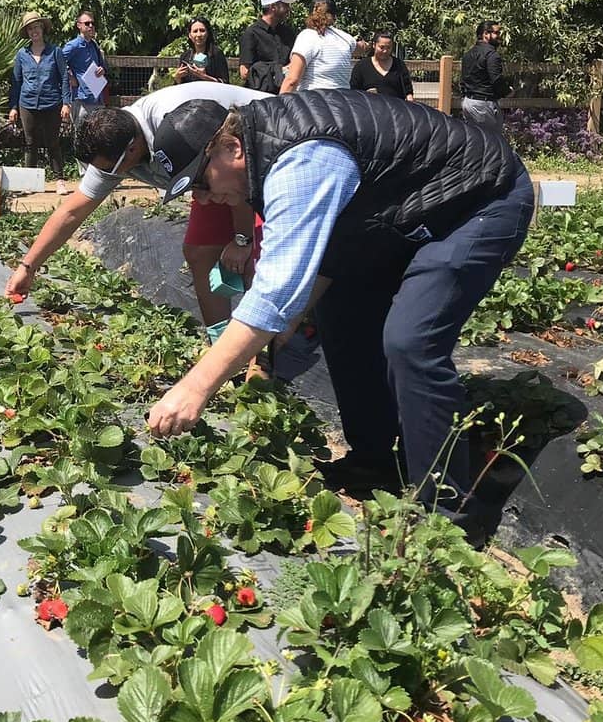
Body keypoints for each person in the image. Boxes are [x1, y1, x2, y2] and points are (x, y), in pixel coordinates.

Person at [145, 92, 534, 542]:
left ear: (230, 148)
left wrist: (195, 388)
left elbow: (274, 291)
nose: (204, 198)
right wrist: (277, 335)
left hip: (478, 199)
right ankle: (376, 460)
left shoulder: (301, 161)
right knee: (341, 316)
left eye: (200, 181)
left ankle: (447, 515)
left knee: (411, 340)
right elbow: (309, 270)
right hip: (394, 211)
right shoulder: (261, 154)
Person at [2, 82, 270, 328]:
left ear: (131, 149)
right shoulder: (113, 143)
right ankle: (221, 340)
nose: (108, 175)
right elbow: (72, 211)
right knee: (199, 252)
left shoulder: (177, 126)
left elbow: (237, 175)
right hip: (212, 179)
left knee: (255, 260)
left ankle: (263, 352)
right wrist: (28, 268)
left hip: (257, 159)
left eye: (111, 168)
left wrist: (243, 240)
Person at [9, 11, 72, 194]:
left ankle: (59, 180)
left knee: (53, 142)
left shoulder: (55, 52)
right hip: (27, 104)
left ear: (43, 28)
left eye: (36, 27)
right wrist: (13, 107)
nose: (34, 31)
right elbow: (16, 81)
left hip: (52, 102)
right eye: (30, 29)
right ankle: (29, 182)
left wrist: (66, 103)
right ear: (27, 32)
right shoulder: (22, 54)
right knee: (30, 143)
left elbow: (64, 78)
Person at [281, 0, 361, 93]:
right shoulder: (345, 38)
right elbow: (360, 49)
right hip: (342, 98)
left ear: (309, 15)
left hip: (315, 99)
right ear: (334, 17)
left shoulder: (307, 36)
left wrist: (280, 102)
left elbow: (292, 81)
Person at [238, 0, 298, 93]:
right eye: (285, 5)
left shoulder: (288, 33)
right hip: (260, 94)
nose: (288, 8)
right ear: (273, 7)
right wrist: (278, 71)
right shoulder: (251, 33)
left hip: (286, 93)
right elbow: (244, 72)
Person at [63, 11, 107, 130]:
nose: (91, 26)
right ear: (79, 25)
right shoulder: (73, 45)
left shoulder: (94, 45)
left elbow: (102, 66)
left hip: (98, 98)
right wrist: (70, 76)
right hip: (81, 99)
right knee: (81, 135)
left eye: (93, 23)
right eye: (87, 23)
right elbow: (58, 62)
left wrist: (102, 69)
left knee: (99, 134)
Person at [461, 21, 509, 130]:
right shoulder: (492, 55)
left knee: (474, 137)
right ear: (486, 34)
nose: (499, 36)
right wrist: (507, 91)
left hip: (468, 102)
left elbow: (463, 80)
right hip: (483, 105)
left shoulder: (468, 54)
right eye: (496, 33)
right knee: (491, 138)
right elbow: (496, 80)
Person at [350, 31, 415, 101]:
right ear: (374, 45)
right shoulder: (361, 66)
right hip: (370, 107)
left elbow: (408, 91)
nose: (385, 51)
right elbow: (354, 93)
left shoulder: (399, 65)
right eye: (382, 47)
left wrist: (410, 102)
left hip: (395, 106)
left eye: (388, 48)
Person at [173, 17, 229, 85]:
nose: (199, 34)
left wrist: (204, 77)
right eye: (195, 31)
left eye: (202, 30)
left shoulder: (216, 54)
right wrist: (177, 78)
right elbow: (179, 85)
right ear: (190, 35)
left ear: (207, 33)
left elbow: (225, 83)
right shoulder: (185, 56)